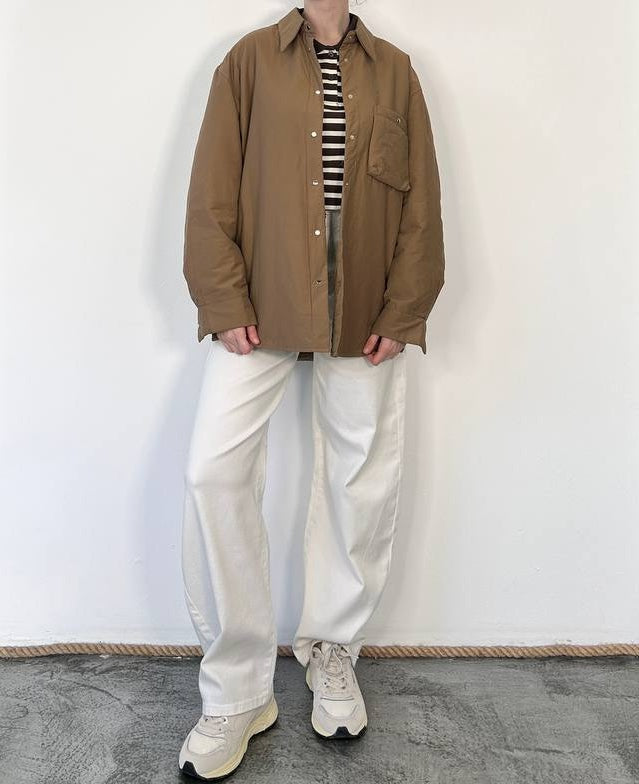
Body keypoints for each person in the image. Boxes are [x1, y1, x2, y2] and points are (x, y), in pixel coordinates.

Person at [178, 1, 445, 779]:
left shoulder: (394, 71)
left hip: (363, 305)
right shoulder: (250, 60)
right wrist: (222, 298)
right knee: (213, 471)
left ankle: (333, 649)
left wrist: (403, 308)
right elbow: (211, 191)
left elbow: (420, 205)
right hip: (261, 300)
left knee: (361, 477)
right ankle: (237, 689)